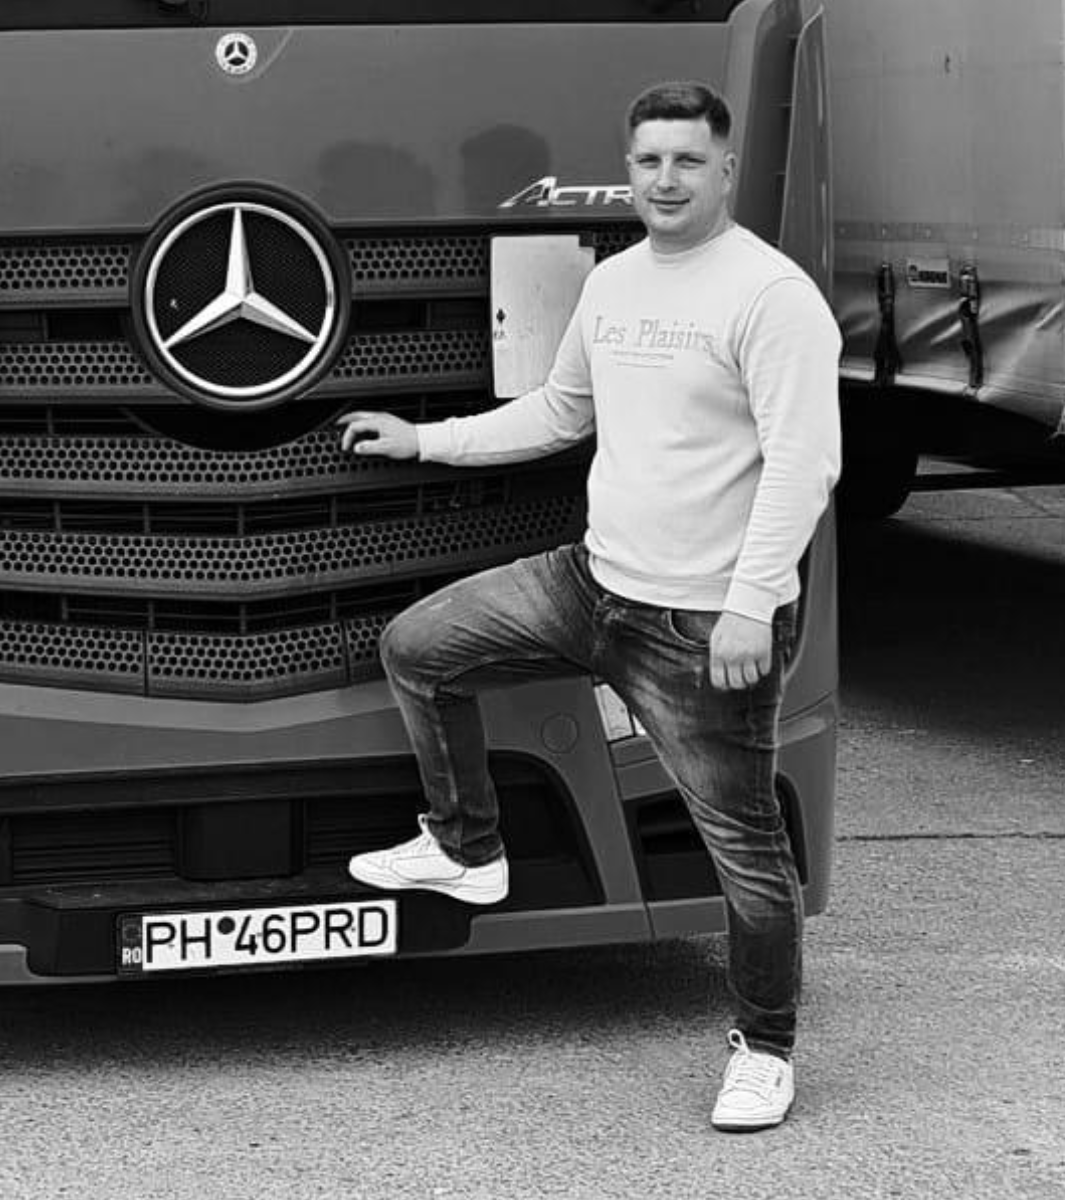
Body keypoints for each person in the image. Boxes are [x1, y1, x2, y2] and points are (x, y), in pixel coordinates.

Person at [335, 80, 841, 1132]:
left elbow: (806, 464)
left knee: (745, 849)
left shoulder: (771, 295)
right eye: (649, 161)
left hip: (703, 624)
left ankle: (765, 1049)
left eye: (688, 161)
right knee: (418, 648)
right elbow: (560, 413)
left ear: (726, 170)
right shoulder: (614, 282)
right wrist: (425, 440)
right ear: (630, 170)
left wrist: (752, 606)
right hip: (592, 585)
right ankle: (468, 849)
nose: (666, 180)